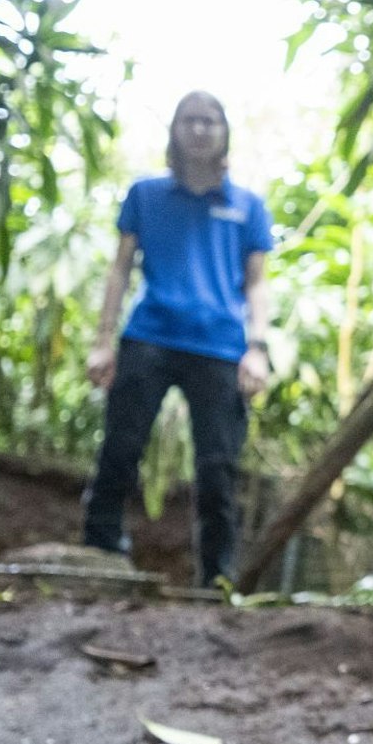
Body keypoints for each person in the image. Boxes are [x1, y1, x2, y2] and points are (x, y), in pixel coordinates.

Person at [82, 91, 275, 587]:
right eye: (190, 120)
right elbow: (120, 270)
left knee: (218, 468)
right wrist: (103, 342)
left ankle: (216, 579)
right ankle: (100, 549)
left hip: (219, 348)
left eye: (210, 120)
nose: (199, 129)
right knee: (121, 448)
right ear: (175, 130)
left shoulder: (248, 206)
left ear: (224, 132)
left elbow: (256, 282)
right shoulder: (144, 196)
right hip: (149, 337)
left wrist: (257, 349)